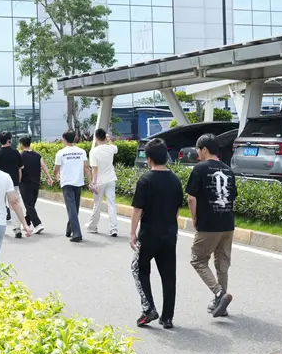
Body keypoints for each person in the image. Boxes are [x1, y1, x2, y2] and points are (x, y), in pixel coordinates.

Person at [130, 138, 183, 329]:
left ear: (149, 158)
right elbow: (177, 209)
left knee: (138, 268)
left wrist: (132, 233)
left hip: (149, 234)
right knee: (168, 274)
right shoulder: (175, 180)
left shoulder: (145, 180)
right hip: (169, 233)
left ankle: (148, 308)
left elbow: (137, 209)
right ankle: (167, 317)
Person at [185, 133, 238, 318]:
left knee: (198, 260)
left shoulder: (199, 168)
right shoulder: (228, 170)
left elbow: (191, 198)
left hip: (208, 223)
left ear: (205, 149)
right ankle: (221, 303)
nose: (197, 153)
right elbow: (232, 197)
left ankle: (219, 294)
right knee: (222, 264)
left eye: (198, 150)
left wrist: (194, 218)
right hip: (228, 223)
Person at [54, 131, 93, 243]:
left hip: (67, 183)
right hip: (78, 182)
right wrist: (90, 181)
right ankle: (69, 229)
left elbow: (56, 169)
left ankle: (77, 233)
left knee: (72, 208)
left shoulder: (61, 153)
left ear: (64, 139)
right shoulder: (81, 151)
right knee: (74, 208)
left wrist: (56, 176)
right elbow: (87, 167)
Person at [87, 128, 120, 237]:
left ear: (95, 137)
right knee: (112, 204)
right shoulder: (110, 148)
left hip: (100, 181)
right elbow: (115, 148)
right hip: (111, 179)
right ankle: (113, 228)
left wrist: (94, 183)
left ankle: (93, 226)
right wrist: (109, 140)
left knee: (97, 204)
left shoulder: (94, 151)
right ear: (105, 137)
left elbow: (94, 169)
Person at [18, 135, 52, 235]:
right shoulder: (37, 155)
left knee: (29, 205)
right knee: (31, 204)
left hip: (25, 184)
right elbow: (43, 165)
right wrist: (49, 177)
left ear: (21, 144)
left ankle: (38, 224)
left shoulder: (20, 156)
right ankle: (27, 222)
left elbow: (19, 170)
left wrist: (18, 182)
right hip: (36, 183)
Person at [0, 131, 26, 238]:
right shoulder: (15, 152)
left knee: (0, 206)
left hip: (0, 184)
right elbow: (20, 168)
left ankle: (1, 228)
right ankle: (17, 228)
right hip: (13, 184)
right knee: (15, 205)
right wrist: (18, 181)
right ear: (9, 140)